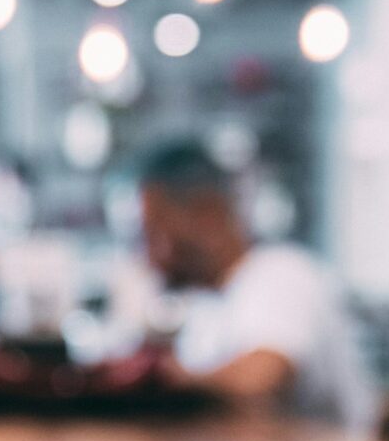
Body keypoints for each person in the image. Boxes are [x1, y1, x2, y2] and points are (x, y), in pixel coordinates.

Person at [116, 140, 374, 425]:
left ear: (207, 214)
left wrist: (158, 375)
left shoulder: (282, 273)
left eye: (153, 234)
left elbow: (259, 381)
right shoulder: (207, 307)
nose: (147, 259)